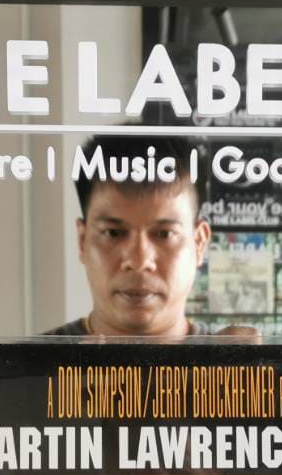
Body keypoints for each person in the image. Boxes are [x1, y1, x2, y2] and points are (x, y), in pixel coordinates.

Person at [46, 133, 255, 337]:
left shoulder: (237, 359)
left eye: (164, 234)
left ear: (199, 243)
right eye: (113, 233)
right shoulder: (32, 360)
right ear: (82, 241)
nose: (139, 261)